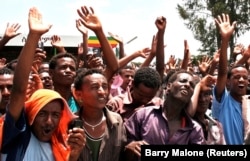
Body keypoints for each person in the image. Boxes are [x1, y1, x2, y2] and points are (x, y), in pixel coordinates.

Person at [0, 7, 85, 161]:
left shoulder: (61, 146)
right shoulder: (16, 136)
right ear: (31, 114)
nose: (49, 121)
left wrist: (73, 156)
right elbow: (18, 90)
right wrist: (33, 36)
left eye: (56, 115)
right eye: (43, 114)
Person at [124, 70, 205, 160]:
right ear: (169, 86)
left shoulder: (195, 130)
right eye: (183, 81)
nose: (187, 85)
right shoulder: (142, 115)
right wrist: (130, 146)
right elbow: (123, 143)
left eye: (192, 85)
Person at [210, 13, 248, 144]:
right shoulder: (222, 100)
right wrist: (225, 40)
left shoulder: (248, 105)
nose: (242, 80)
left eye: (245, 77)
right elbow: (221, 73)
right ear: (228, 81)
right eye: (237, 77)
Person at [73, 68, 126, 161]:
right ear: (79, 94)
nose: (102, 92)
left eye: (105, 87)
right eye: (94, 87)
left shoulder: (117, 121)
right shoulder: (69, 123)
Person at [192, 75, 226, 145]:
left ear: (211, 98)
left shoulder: (216, 125)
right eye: (198, 95)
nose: (203, 99)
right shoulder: (185, 123)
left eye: (206, 94)